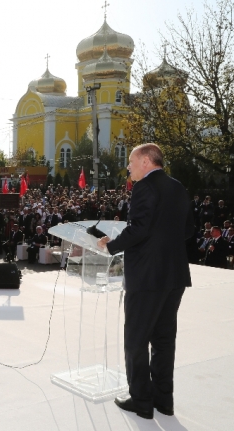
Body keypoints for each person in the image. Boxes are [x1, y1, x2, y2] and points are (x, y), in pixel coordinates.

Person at [97, 143, 194, 420]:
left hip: (147, 278)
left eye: (131, 161)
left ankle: (141, 400)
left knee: (136, 340)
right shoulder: (178, 187)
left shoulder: (144, 188)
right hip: (174, 275)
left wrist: (110, 245)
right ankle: (164, 401)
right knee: (164, 340)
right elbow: (187, 230)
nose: (128, 167)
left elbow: (139, 229)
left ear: (146, 161)